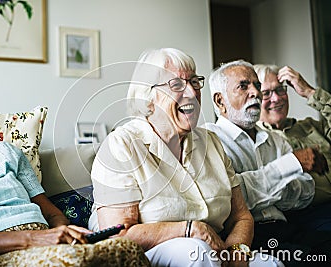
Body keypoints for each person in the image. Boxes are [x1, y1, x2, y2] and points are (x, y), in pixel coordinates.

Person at [88, 48, 283, 266]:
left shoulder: (211, 141)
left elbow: (241, 217)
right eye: (177, 85)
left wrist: (237, 251)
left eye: (194, 82)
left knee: (271, 264)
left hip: (217, 250)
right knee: (196, 252)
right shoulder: (122, 145)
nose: (192, 93)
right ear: (149, 96)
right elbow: (118, 235)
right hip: (153, 254)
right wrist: (190, 229)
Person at [0, 81, 150, 267]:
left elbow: (51, 213)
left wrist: (64, 232)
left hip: (47, 240)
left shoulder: (5, 151)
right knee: (68, 262)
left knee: (127, 249)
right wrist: (33, 239)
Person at [204, 60, 330, 266]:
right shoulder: (210, 140)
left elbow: (305, 192)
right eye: (243, 86)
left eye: (257, 85)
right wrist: (290, 166)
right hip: (249, 237)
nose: (255, 92)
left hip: (287, 227)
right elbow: (232, 198)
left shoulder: (276, 140)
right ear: (220, 101)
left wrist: (262, 185)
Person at [254, 64, 331, 233]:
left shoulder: (310, 126)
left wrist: (310, 92)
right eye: (266, 93)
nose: (276, 99)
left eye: (280, 90)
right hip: (309, 216)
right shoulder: (257, 139)